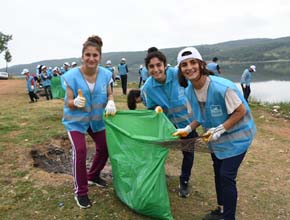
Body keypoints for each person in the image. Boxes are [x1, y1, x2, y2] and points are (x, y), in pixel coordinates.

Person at [174, 47, 256, 220]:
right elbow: (200, 115)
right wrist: (188, 128)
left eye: (193, 62)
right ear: (180, 69)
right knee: (218, 171)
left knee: (226, 176)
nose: (189, 67)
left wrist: (221, 129)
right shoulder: (189, 90)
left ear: (201, 64)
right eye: (184, 65)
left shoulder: (221, 87)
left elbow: (240, 111)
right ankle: (221, 210)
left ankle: (228, 217)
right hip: (216, 141)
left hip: (238, 139)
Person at [127, 47, 198, 198]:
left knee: (188, 154)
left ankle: (184, 181)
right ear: (147, 69)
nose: (156, 69)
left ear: (165, 65)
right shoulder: (147, 88)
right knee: (158, 152)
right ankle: (151, 180)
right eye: (151, 66)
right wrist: (156, 109)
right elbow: (151, 108)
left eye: (158, 65)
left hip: (188, 125)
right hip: (167, 128)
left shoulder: (178, 74)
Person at [62, 35, 117, 209]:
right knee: (80, 150)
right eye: (88, 55)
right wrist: (74, 103)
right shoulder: (71, 76)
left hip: (96, 121)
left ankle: (93, 175)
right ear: (82, 56)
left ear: (100, 57)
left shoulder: (106, 74)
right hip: (75, 122)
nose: (91, 59)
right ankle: (81, 192)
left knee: (106, 146)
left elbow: (109, 93)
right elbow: (69, 101)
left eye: (95, 55)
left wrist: (111, 101)